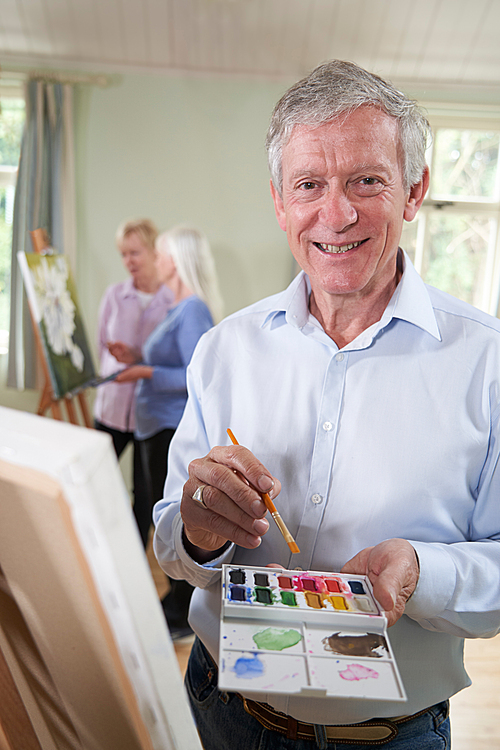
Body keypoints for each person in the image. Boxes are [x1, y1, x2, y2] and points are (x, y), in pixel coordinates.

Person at [153, 59, 500, 749]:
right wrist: (198, 529)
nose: (334, 214)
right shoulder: (224, 350)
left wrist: (421, 570)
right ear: (280, 202)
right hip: (224, 713)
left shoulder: (487, 363)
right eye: (309, 184)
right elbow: (174, 540)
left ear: (414, 191)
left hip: (392, 735)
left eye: (366, 180)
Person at [111, 225, 223, 639]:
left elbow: (193, 376)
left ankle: (180, 611)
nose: (155, 262)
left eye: (160, 255)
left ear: (173, 260)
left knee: (174, 519)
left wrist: (145, 371)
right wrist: (138, 356)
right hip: (152, 426)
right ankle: (172, 605)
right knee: (156, 514)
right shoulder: (178, 306)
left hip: (167, 427)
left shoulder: (192, 308)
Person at [94, 218, 172, 548]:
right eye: (124, 254)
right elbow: (101, 346)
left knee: (145, 494)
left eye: (135, 253)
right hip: (110, 408)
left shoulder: (173, 301)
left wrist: (137, 355)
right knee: (95, 480)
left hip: (148, 416)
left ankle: (135, 557)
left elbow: (170, 360)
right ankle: (96, 544)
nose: (129, 261)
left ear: (156, 253)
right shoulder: (114, 295)